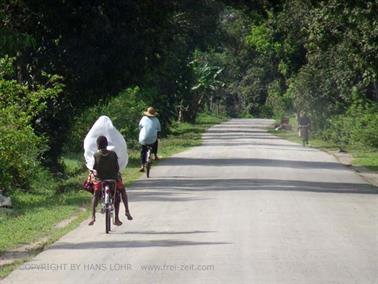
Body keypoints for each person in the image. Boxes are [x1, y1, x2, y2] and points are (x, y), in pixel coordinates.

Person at [89, 136, 133, 226]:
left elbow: (94, 168)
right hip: (113, 180)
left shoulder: (96, 155)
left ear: (97, 145)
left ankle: (93, 216)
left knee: (95, 194)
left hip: (101, 181)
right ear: (107, 145)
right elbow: (117, 168)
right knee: (121, 192)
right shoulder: (113, 154)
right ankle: (125, 212)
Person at [138, 107, 161, 172]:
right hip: (152, 139)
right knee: (155, 141)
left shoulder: (143, 118)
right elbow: (159, 130)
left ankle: (142, 165)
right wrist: (158, 136)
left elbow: (140, 127)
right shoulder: (156, 119)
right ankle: (155, 155)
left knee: (143, 151)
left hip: (143, 138)